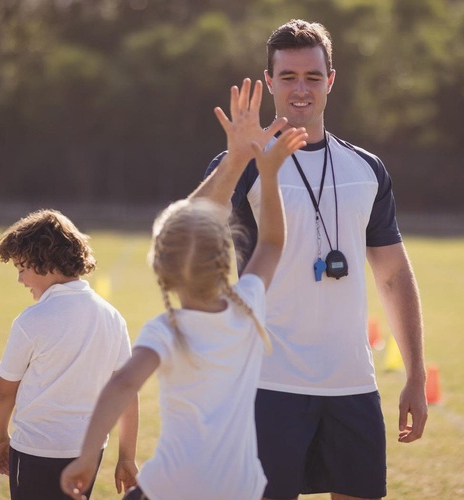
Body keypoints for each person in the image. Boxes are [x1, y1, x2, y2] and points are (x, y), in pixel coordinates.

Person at [203, 19, 428, 499]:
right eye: (287, 76)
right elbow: (189, 230)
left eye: (311, 76)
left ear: (331, 79)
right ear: (269, 82)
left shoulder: (366, 169)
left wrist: (415, 373)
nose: (300, 88)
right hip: (267, 382)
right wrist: (235, 160)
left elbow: (392, 275)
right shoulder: (245, 161)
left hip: (352, 385)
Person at [60, 79, 308, 500]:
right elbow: (270, 243)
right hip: (241, 490)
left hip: (170, 490)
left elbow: (121, 385)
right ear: (227, 260)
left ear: (163, 271)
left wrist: (86, 456)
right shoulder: (248, 308)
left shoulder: (165, 331)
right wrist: (267, 175)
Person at [0, 209, 138, 499]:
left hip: (35, 451)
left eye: (21, 268)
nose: (20, 280)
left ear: (45, 262)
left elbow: (5, 391)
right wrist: (127, 457)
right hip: (89, 453)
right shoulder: (112, 317)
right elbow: (126, 393)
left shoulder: (31, 321)